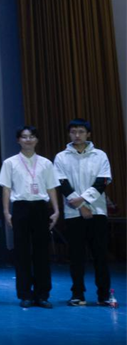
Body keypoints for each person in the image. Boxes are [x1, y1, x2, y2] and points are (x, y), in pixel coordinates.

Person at [0, 125, 60, 309]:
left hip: (41, 207)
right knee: (22, 253)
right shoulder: (10, 163)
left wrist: (56, 210)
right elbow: (6, 189)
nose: (28, 140)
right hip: (20, 207)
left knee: (42, 252)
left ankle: (42, 294)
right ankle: (25, 294)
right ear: (18, 140)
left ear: (37, 140)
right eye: (24, 137)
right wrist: (6, 212)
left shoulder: (46, 163)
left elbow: (51, 187)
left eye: (32, 136)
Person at [53, 119, 113, 306]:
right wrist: (81, 206)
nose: (77, 135)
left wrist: (84, 200)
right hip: (73, 214)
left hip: (98, 212)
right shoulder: (61, 157)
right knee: (76, 257)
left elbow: (102, 181)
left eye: (80, 131)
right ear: (69, 134)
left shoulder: (100, 155)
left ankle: (104, 295)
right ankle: (78, 294)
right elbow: (61, 183)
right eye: (73, 132)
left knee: (100, 255)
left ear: (88, 134)